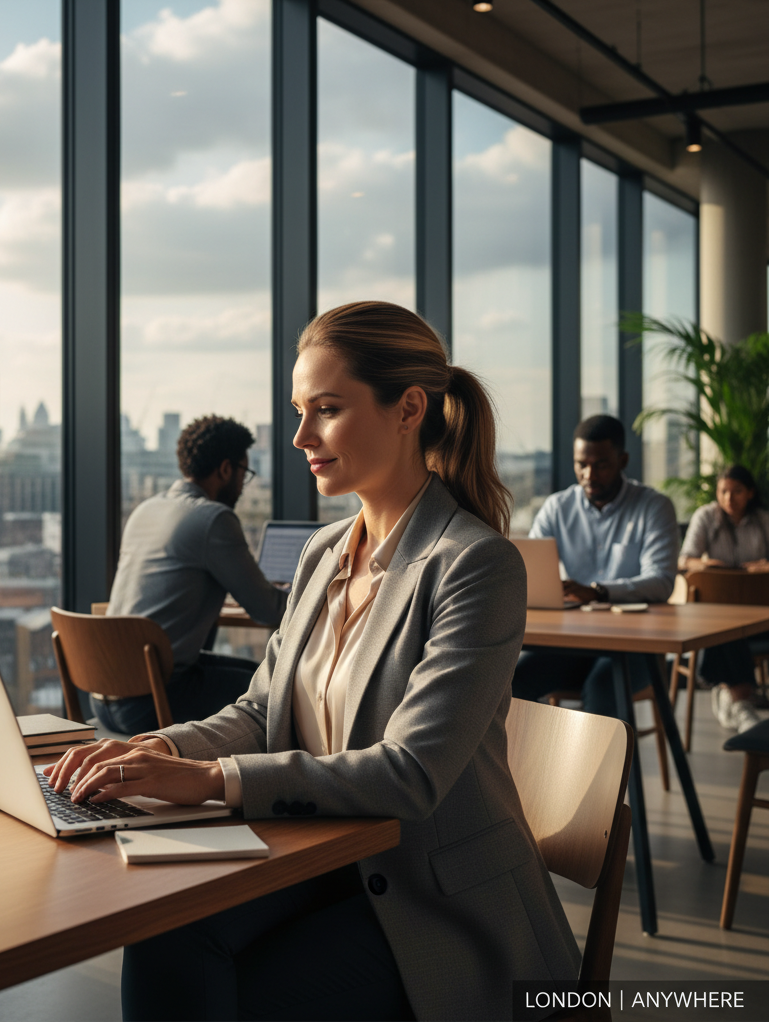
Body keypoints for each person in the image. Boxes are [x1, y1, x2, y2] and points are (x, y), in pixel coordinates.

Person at [46, 302, 581, 1021]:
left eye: (326, 410)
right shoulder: (323, 553)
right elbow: (262, 708)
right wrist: (159, 748)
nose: (299, 437)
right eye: (299, 411)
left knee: (248, 993)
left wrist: (208, 779)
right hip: (327, 858)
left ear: (408, 409)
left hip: (431, 896)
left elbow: (412, 773)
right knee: (164, 936)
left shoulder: (474, 565)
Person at [98, 415, 288, 734]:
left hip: (104, 698)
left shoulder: (146, 509)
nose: (242, 485)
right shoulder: (213, 518)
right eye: (245, 473)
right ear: (226, 469)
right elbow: (268, 609)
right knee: (277, 688)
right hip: (154, 701)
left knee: (256, 673)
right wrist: (322, 590)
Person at [512, 414, 679, 717]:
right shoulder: (557, 508)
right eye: (581, 464)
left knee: (604, 688)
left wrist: (599, 592)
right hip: (573, 644)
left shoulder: (654, 507)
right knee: (511, 682)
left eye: (601, 464)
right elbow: (530, 571)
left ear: (623, 460)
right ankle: (530, 764)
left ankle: (608, 767)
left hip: (636, 646)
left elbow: (662, 581)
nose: (589, 474)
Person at [679, 464, 769, 733]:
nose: (729, 498)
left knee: (729, 629)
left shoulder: (764, 520)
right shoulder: (706, 517)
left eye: (737, 491)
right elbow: (684, 560)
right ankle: (740, 699)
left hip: (759, 614)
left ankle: (726, 690)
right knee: (723, 626)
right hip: (715, 614)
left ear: (750, 493)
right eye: (723, 492)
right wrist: (706, 565)